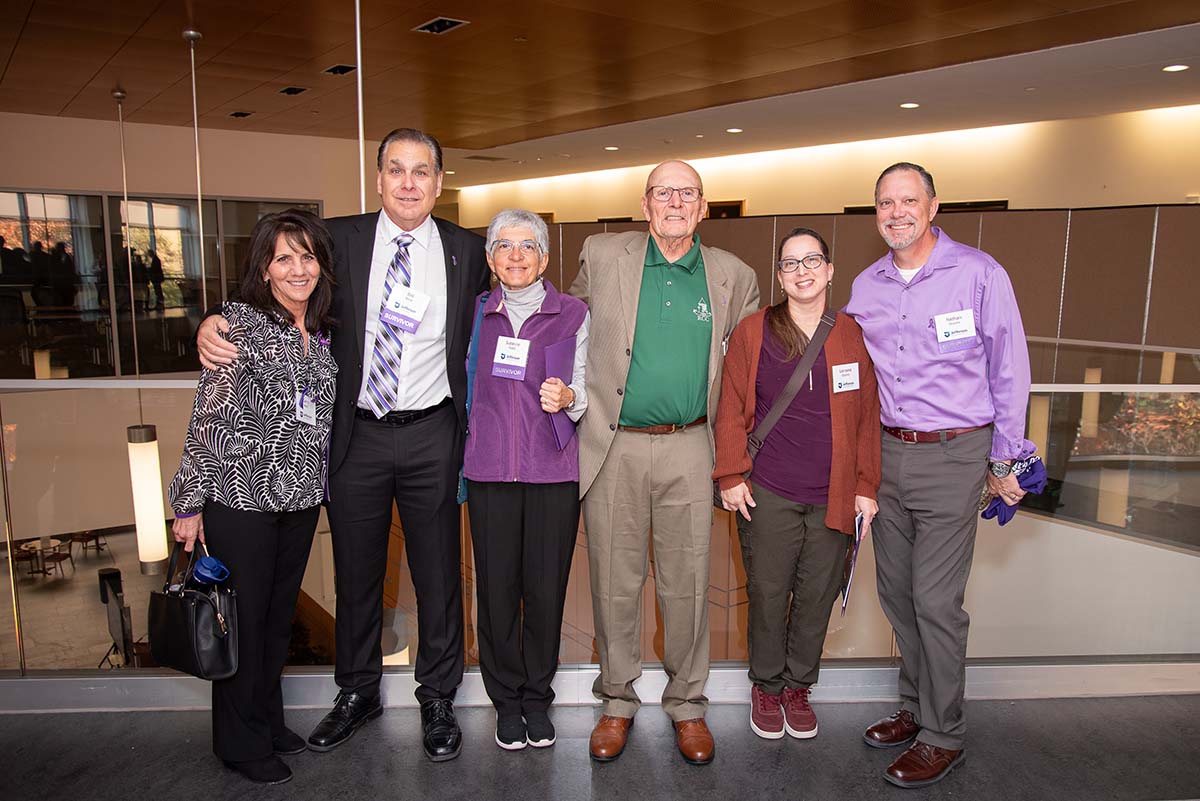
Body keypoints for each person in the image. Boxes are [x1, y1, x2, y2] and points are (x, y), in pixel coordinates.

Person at [196, 128, 489, 762]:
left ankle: (437, 697)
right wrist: (214, 321)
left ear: (440, 182)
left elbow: (507, 311)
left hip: (434, 430)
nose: (408, 183)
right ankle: (358, 691)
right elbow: (277, 283)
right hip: (353, 434)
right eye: (395, 170)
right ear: (378, 179)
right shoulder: (338, 241)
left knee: (437, 574)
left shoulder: (469, 249)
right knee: (357, 575)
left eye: (421, 172)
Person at [845, 162, 1033, 788]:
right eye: (884, 204)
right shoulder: (865, 285)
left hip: (956, 455)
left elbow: (1010, 368)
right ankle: (916, 706)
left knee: (935, 600)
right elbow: (847, 370)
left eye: (908, 201)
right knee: (897, 595)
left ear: (932, 208)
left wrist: (1007, 459)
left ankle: (943, 732)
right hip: (885, 455)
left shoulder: (978, 274)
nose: (896, 213)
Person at [569, 160, 759, 765]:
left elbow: (745, 375)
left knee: (689, 584)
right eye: (662, 193)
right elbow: (566, 332)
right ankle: (617, 700)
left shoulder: (733, 275)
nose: (674, 202)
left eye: (687, 194)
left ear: (704, 207)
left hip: (692, 445)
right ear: (644, 203)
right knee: (613, 581)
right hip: (615, 443)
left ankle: (688, 704)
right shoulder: (601, 255)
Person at [168, 209, 337, 785]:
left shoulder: (320, 333)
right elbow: (208, 419)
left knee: (274, 621)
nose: (297, 269)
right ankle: (238, 744)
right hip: (241, 500)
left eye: (307, 256)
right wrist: (188, 504)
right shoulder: (237, 328)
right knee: (242, 621)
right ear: (264, 269)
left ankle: (266, 721)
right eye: (284, 258)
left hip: (298, 500)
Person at [713, 228, 880, 741]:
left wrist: (866, 485)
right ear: (780, 276)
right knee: (767, 593)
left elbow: (869, 417)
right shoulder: (753, 331)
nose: (803, 271)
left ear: (830, 271)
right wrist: (731, 473)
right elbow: (731, 407)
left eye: (813, 261)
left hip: (833, 494)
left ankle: (798, 687)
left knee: (817, 596)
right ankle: (766, 686)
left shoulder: (852, 334)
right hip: (768, 492)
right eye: (791, 263)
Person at [462, 209, 590, 751]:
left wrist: (569, 398)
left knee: (544, 592)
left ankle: (537, 698)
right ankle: (505, 701)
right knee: (495, 593)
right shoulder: (470, 315)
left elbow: (588, 386)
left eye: (528, 245)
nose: (516, 255)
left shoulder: (573, 313)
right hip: (489, 471)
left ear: (544, 256)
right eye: (504, 246)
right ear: (490, 259)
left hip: (552, 473)